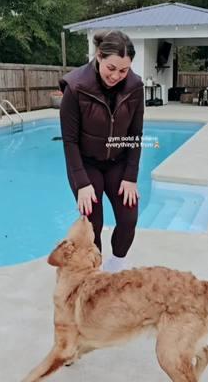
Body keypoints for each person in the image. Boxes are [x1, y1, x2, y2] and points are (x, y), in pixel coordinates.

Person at [59, 30, 144, 273]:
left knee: (128, 218)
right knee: (93, 224)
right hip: (86, 164)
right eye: (111, 67)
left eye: (124, 70)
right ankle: (93, 271)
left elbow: (135, 135)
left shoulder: (135, 87)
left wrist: (130, 176)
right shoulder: (75, 87)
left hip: (118, 162)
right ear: (99, 56)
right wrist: (82, 183)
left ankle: (116, 265)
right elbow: (69, 141)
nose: (117, 75)